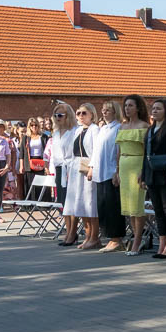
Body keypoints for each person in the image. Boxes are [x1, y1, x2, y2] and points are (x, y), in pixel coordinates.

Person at [142, 99, 166, 259]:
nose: (155, 111)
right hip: (151, 173)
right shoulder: (150, 130)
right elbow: (145, 155)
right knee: (158, 211)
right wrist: (143, 175)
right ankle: (162, 241)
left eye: (158, 108)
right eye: (153, 108)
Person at [88, 101, 125, 253]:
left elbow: (118, 150)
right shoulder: (102, 129)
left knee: (113, 207)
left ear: (115, 111)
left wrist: (117, 171)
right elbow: (96, 151)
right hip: (99, 172)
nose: (104, 112)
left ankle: (116, 239)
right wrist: (91, 167)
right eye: (103, 110)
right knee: (102, 206)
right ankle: (108, 237)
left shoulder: (118, 127)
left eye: (108, 110)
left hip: (111, 172)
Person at [117, 95, 149, 256]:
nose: (127, 108)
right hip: (124, 166)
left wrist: (144, 171)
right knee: (129, 206)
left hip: (137, 166)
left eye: (130, 105)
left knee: (137, 205)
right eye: (126, 106)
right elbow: (118, 150)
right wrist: (116, 171)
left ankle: (138, 239)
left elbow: (147, 151)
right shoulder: (122, 127)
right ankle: (135, 236)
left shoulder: (144, 126)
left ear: (138, 108)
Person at [64, 104, 101, 249]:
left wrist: (92, 168)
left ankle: (94, 236)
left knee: (90, 204)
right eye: (78, 113)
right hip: (76, 168)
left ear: (91, 114)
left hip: (88, 169)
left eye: (84, 113)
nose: (80, 115)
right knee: (80, 204)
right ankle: (87, 236)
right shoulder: (78, 130)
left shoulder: (94, 129)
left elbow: (96, 151)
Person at [51, 103, 80, 246]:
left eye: (60, 115)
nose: (58, 118)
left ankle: (73, 233)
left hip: (70, 169)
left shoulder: (74, 131)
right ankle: (68, 231)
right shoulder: (56, 133)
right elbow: (53, 154)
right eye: (56, 115)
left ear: (68, 116)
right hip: (59, 169)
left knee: (71, 203)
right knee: (63, 202)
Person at [19, 118, 49, 200]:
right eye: (32, 125)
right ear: (29, 127)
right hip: (29, 162)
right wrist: (21, 166)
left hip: (41, 161)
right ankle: (30, 204)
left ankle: (42, 203)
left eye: (36, 125)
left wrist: (47, 165)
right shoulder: (25, 138)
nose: (34, 127)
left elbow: (48, 150)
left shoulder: (43, 136)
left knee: (41, 182)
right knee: (30, 183)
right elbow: (22, 153)